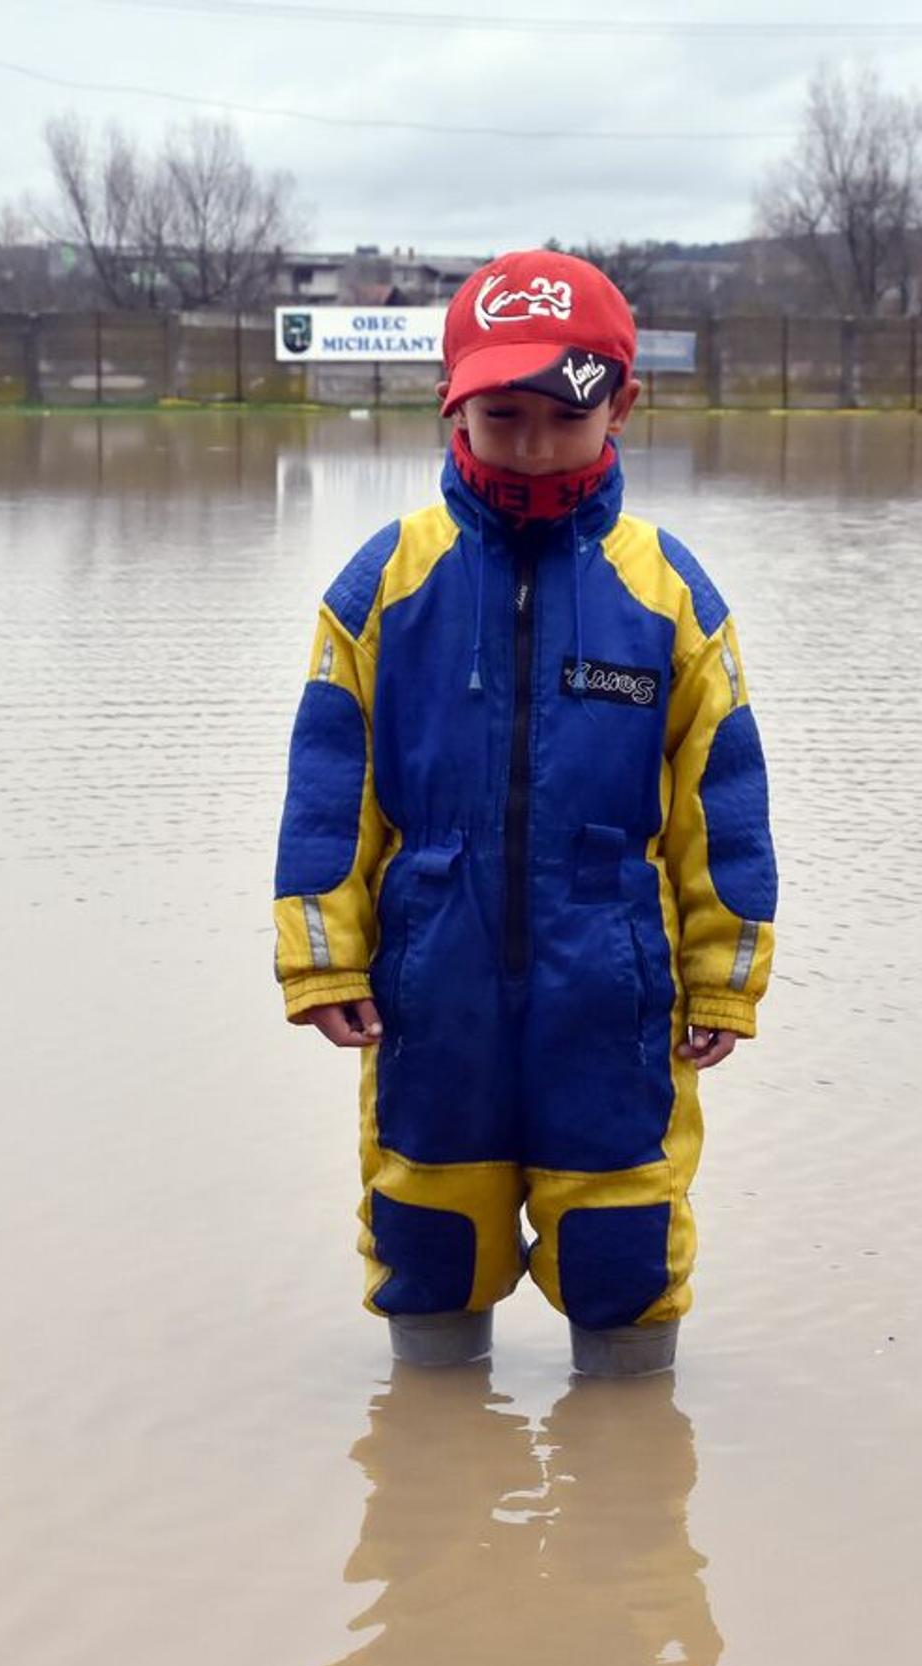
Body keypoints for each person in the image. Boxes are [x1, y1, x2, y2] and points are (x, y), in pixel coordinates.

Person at [270, 249, 777, 1377]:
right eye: (503, 416)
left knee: (625, 1236)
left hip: (614, 985)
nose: (534, 445)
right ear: (452, 407)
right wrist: (324, 962)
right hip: (431, 987)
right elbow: (325, 789)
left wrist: (724, 978)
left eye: (562, 416)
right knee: (427, 1225)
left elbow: (723, 802)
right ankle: (436, 1464)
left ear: (623, 406)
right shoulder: (384, 583)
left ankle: (631, 1457)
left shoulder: (671, 594)